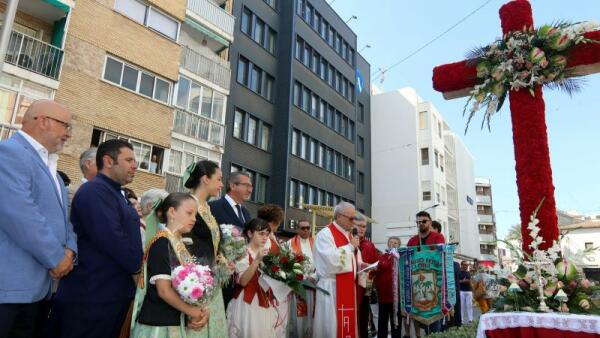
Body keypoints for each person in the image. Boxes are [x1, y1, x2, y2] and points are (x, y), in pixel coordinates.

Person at [48, 139, 143, 338]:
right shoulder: (96, 191)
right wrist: (137, 266)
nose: (135, 165)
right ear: (108, 161)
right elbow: (113, 240)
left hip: (108, 294)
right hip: (90, 297)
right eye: (129, 160)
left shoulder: (115, 192)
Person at [0, 99, 77, 338]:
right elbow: (20, 214)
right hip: (11, 289)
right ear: (43, 121)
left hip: (38, 289)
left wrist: (70, 251)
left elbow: (65, 220)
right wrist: (56, 258)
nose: (68, 135)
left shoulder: (50, 165)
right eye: (66, 126)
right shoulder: (9, 152)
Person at [131, 192, 209, 337]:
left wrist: (201, 307)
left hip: (174, 320)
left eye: (195, 214)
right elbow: (164, 291)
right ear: (172, 212)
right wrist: (192, 311)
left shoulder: (180, 244)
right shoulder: (162, 243)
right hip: (158, 324)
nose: (194, 219)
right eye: (189, 213)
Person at [183, 160, 229, 337]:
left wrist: (222, 259)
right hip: (195, 281)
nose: (221, 184)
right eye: (219, 179)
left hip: (210, 280)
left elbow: (210, 244)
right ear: (205, 179)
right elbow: (185, 247)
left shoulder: (206, 208)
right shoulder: (188, 205)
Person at [226, 218, 284, 337]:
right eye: (261, 233)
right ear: (250, 233)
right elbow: (243, 282)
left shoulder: (269, 254)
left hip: (264, 300)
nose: (265, 237)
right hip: (247, 302)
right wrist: (256, 260)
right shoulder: (242, 252)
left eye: (267, 234)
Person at [313, 202, 363, 338]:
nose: (354, 222)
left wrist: (362, 266)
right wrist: (350, 247)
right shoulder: (325, 234)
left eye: (355, 218)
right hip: (331, 288)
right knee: (331, 327)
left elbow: (353, 260)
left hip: (346, 287)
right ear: (339, 216)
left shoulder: (348, 235)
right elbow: (330, 260)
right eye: (351, 218)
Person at [407, 211, 445, 337]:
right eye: (418, 222)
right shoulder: (412, 240)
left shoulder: (438, 238)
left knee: (434, 316)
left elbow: (440, 257)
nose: (421, 224)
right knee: (418, 313)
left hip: (434, 282)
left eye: (424, 221)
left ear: (430, 221)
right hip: (416, 283)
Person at [287, 220, 316, 338]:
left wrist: (314, 276)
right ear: (297, 229)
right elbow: (287, 264)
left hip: (314, 284)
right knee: (300, 315)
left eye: (308, 228)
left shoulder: (316, 243)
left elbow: (322, 263)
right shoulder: (290, 243)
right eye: (303, 228)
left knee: (312, 313)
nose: (306, 230)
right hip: (299, 285)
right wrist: (302, 277)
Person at [374, 236, 407, 338]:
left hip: (397, 298)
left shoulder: (402, 258)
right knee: (382, 321)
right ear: (388, 244)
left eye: (395, 243)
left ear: (399, 245)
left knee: (396, 323)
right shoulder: (382, 257)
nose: (393, 244)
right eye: (391, 242)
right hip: (383, 296)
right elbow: (376, 274)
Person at [354, 214, 379, 338]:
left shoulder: (369, 245)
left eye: (364, 226)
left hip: (365, 287)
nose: (362, 229)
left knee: (363, 318)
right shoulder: (347, 242)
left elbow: (375, 267)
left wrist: (369, 289)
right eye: (359, 226)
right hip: (349, 286)